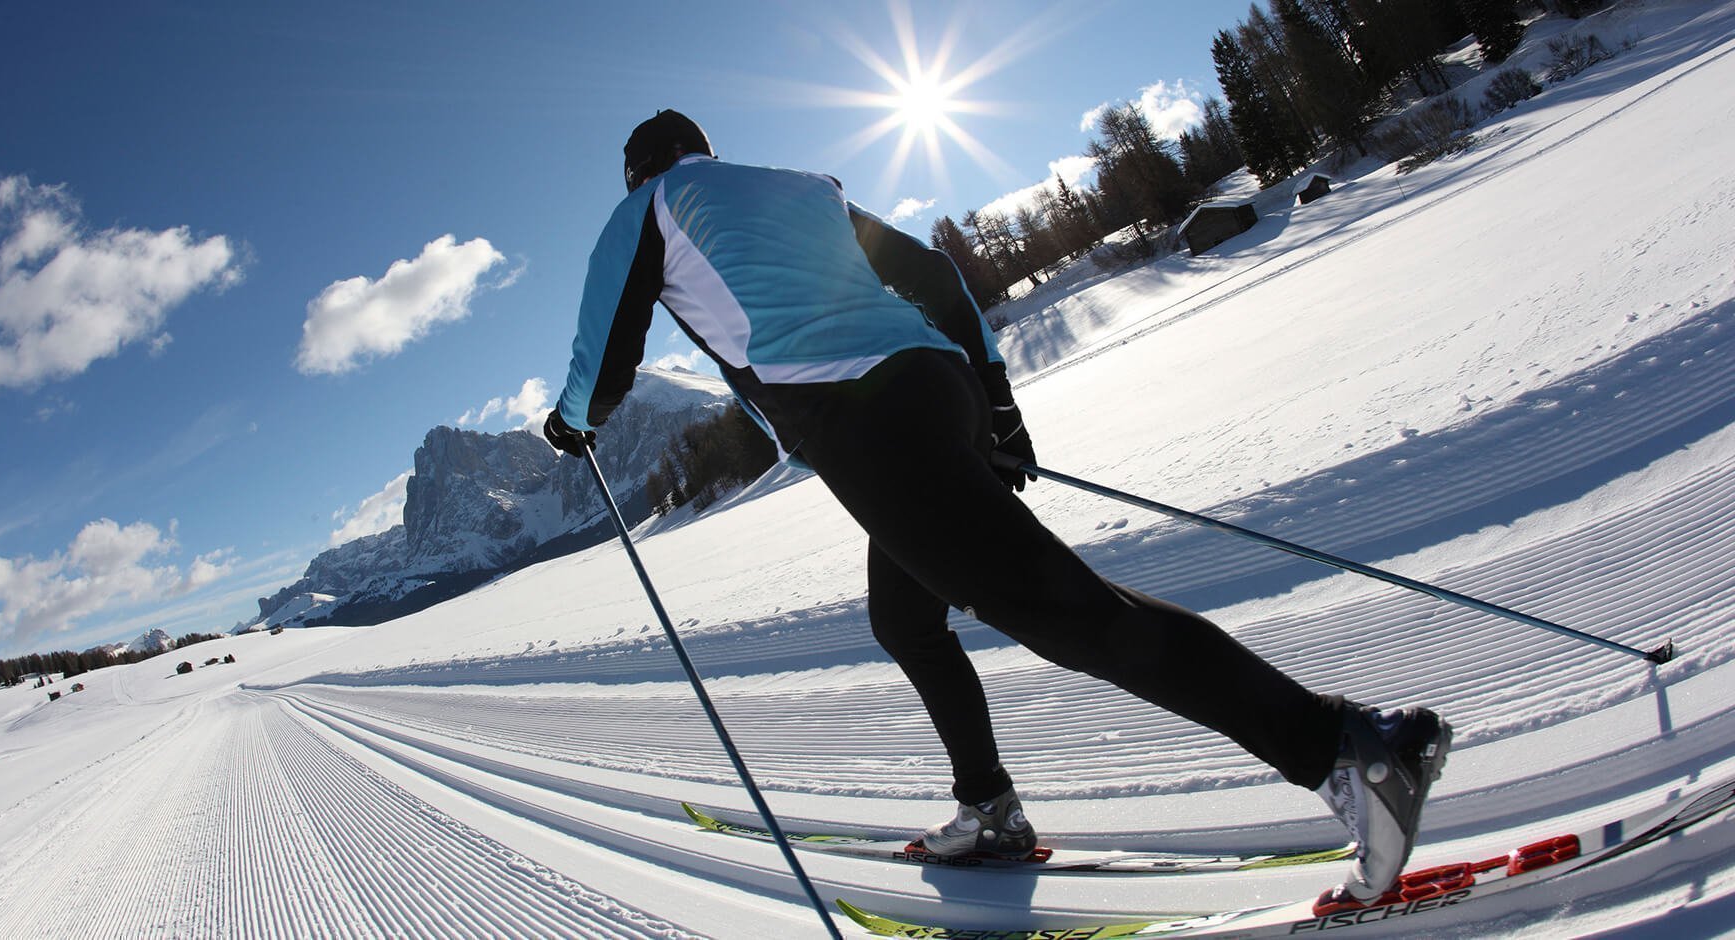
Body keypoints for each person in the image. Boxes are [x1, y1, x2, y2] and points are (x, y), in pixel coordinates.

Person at [543, 109, 1451, 905]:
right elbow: (936, 277)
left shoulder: (648, 209)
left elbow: (606, 344)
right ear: (707, 151)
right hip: (938, 386)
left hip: (866, 423)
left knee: (1077, 614)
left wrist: (572, 422)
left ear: (641, 170)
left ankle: (1342, 750)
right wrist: (998, 410)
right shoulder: (799, 188)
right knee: (905, 619)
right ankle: (989, 808)